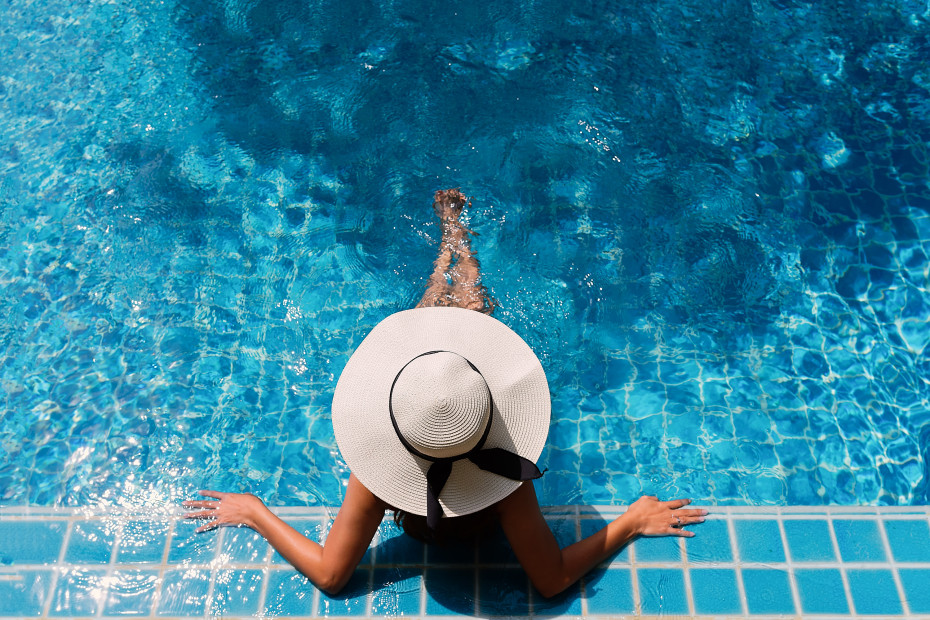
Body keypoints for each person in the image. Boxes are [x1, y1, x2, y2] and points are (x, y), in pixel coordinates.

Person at [182, 189, 706, 598]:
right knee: (461, 335)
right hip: (469, 433)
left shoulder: (375, 478)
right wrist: (631, 521)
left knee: (432, 344)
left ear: (391, 438)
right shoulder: (506, 473)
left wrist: (255, 511)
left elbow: (331, 574)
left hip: (426, 432)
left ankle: (450, 244)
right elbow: (551, 580)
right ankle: (459, 242)